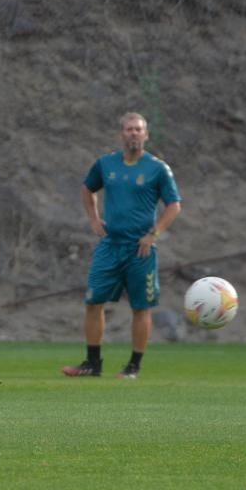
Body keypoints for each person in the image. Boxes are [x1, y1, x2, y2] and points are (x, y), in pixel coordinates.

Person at [62, 112, 181, 379]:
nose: (134, 133)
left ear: (146, 135)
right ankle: (93, 364)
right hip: (110, 246)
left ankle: (133, 367)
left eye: (138, 129)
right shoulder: (106, 164)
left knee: (141, 307)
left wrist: (154, 235)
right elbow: (87, 189)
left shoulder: (157, 168)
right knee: (93, 302)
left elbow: (174, 206)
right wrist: (94, 219)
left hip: (141, 249)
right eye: (129, 129)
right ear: (121, 134)